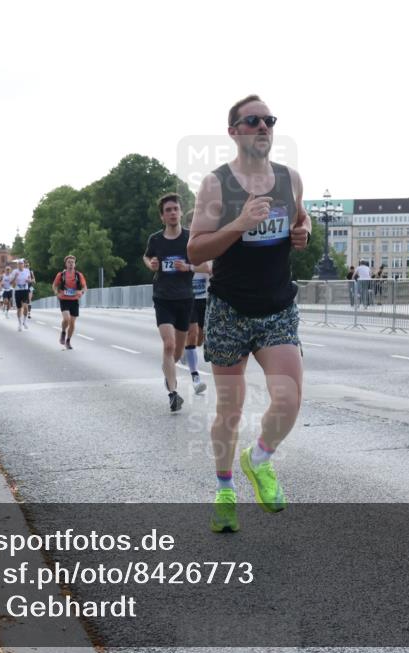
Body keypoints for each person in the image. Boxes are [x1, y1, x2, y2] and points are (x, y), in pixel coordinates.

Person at [188, 94, 311, 533]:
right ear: (234, 131)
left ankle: (258, 458)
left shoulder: (290, 178)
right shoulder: (216, 185)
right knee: (230, 409)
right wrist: (238, 224)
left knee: (290, 397)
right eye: (253, 120)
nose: (263, 127)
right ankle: (224, 491)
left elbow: (302, 217)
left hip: (277, 305)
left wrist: (303, 231)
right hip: (229, 308)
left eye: (269, 120)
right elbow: (196, 248)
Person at [144, 193, 197, 412]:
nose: (173, 213)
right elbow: (146, 257)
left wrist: (188, 267)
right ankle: (173, 394)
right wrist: (151, 264)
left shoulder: (190, 237)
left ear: (181, 212)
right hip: (163, 297)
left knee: (177, 351)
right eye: (168, 210)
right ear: (162, 216)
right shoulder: (155, 240)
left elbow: (206, 265)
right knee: (169, 345)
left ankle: (168, 371)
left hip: (185, 298)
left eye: (175, 209)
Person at [186, 259, 212, 395]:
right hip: (188, 299)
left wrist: (189, 267)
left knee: (199, 340)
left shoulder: (207, 252)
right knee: (193, 334)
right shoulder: (184, 250)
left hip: (205, 299)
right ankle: (195, 378)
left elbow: (208, 268)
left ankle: (186, 350)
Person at [52, 255, 87, 349]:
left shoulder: (78, 275)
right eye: (69, 262)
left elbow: (84, 287)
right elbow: (54, 285)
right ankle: (63, 331)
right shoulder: (61, 275)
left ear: (75, 264)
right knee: (66, 319)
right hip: (64, 299)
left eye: (72, 262)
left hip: (74, 300)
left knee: (72, 323)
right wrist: (56, 293)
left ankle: (68, 341)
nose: (71, 264)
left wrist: (81, 292)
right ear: (66, 264)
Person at [9, 260, 34, 331]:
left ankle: (24, 321)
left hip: (25, 290)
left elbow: (31, 280)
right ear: (17, 265)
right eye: (19, 264)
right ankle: (19, 324)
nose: (20, 265)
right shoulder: (14, 272)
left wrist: (29, 281)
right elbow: (11, 282)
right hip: (17, 291)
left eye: (21, 264)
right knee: (19, 308)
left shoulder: (27, 271)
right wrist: (15, 277)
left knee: (25, 307)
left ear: (23, 264)